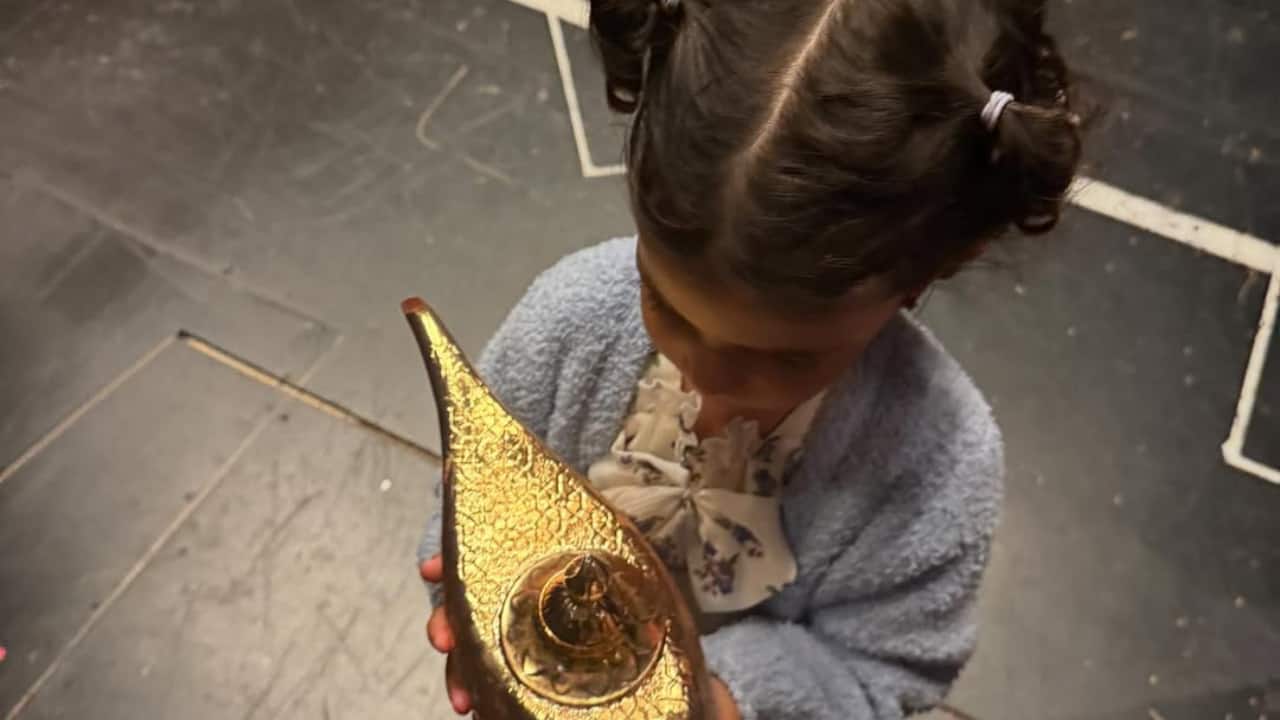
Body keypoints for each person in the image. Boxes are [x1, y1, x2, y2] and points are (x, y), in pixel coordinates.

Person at [419, 0, 1081, 716]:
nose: (706, 380)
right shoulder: (570, 319)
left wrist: (716, 698)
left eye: (786, 360)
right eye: (664, 305)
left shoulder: (938, 463)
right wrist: (477, 585)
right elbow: (473, 484)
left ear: (934, 266)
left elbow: (883, 670)